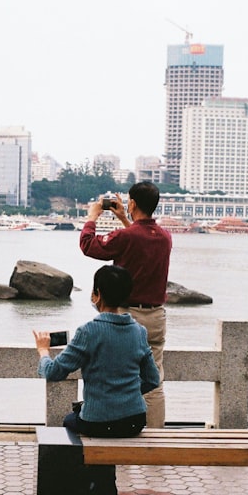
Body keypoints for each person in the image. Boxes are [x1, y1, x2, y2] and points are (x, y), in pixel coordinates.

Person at [79, 181, 172, 428]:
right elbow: (141, 240)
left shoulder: (126, 237)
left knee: (115, 377)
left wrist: (92, 217)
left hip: (127, 318)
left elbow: (88, 245)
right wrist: (124, 219)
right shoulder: (165, 237)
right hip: (156, 317)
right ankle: (155, 438)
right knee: (154, 381)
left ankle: (115, 427)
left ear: (132, 203)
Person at [33, 265, 158, 438]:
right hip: (134, 421)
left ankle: (85, 465)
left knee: (69, 421)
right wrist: (125, 395)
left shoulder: (88, 332)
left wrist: (43, 351)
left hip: (98, 421)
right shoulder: (139, 331)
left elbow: (53, 372)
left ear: (97, 294)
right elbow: (153, 380)